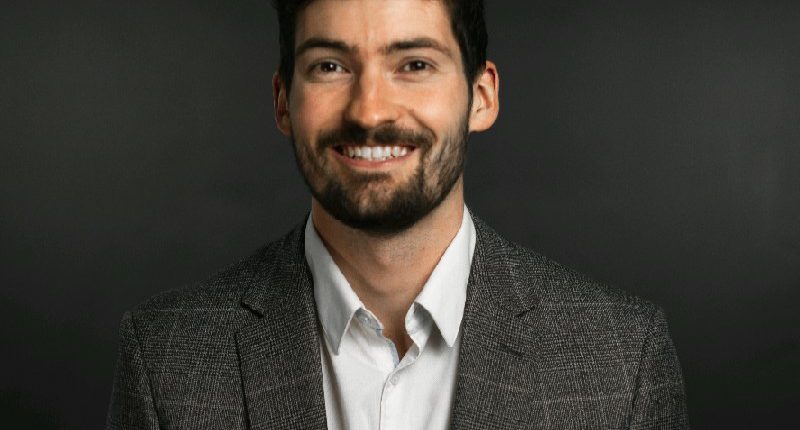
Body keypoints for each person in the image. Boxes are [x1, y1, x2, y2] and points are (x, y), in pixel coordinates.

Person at [106, 0, 689, 428]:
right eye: (330, 66)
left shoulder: (622, 361)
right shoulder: (165, 362)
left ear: (480, 96)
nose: (370, 111)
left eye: (413, 64)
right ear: (284, 101)